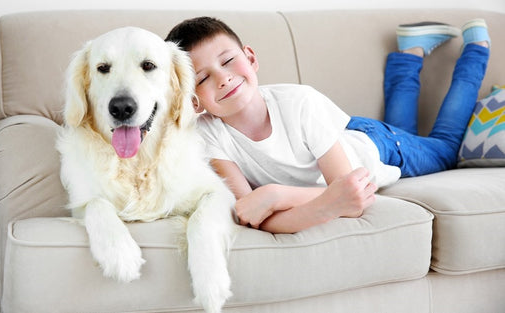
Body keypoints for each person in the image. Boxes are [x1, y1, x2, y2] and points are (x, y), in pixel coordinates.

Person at [165, 17, 490, 234]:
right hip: (346, 137)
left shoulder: (299, 103)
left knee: (447, 148)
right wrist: (319, 203)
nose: (223, 78)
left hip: (378, 148)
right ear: (193, 101)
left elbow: (347, 190)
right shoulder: (206, 135)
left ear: (250, 58)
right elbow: (251, 212)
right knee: (405, 129)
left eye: (228, 61)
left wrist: (276, 195)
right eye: (204, 77)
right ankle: (410, 51)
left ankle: (476, 52)